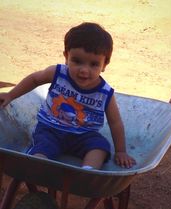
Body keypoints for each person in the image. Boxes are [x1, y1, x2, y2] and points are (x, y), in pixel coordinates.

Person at [0, 22, 136, 169]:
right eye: (77, 61)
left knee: (100, 146)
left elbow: (115, 122)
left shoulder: (105, 93)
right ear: (66, 57)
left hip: (84, 135)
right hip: (50, 129)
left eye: (94, 64)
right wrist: (11, 95)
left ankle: (87, 172)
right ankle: (39, 166)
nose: (84, 70)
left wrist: (121, 151)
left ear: (105, 64)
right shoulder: (57, 73)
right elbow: (35, 79)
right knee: (43, 145)